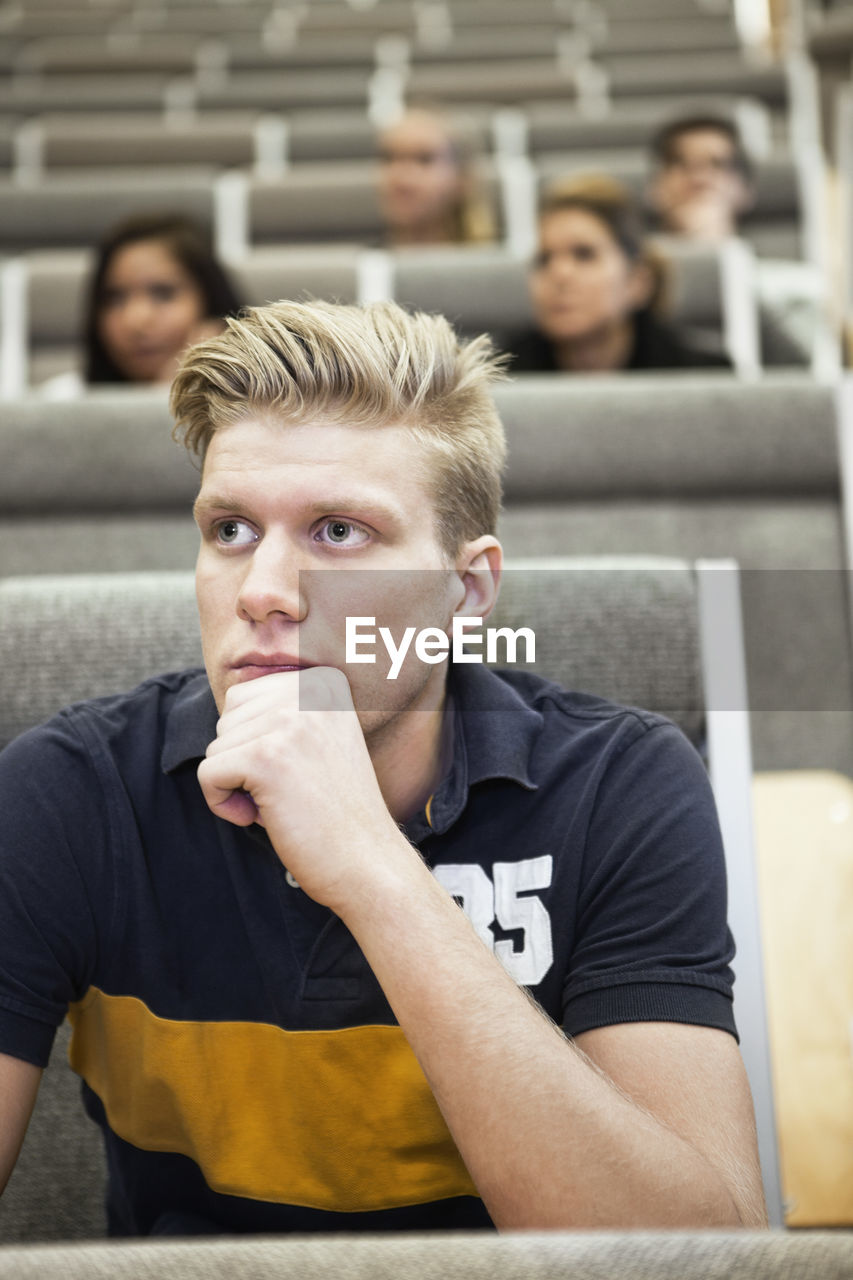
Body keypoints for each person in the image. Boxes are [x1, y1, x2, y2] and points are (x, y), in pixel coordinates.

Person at [0, 300, 766, 1235]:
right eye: (231, 529)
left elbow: (699, 1253)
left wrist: (374, 871)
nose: (265, 592)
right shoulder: (66, 795)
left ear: (465, 589)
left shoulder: (622, 785)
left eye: (338, 533)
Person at [505, 178, 732, 373]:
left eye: (584, 255)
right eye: (544, 259)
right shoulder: (493, 383)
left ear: (637, 282)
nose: (559, 274)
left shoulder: (704, 377)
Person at [83, 212, 242, 385]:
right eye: (115, 299)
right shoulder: (63, 398)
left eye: (163, 294)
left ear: (211, 303)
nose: (135, 320)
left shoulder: (265, 405)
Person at [376, 105, 496, 246]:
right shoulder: (363, 264)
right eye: (389, 158)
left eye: (424, 159)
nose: (402, 176)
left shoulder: (497, 263)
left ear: (463, 179)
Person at [648, 115, 756, 244]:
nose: (699, 178)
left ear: (745, 189)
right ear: (653, 188)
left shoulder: (781, 264)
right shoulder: (629, 263)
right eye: (683, 164)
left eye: (717, 164)